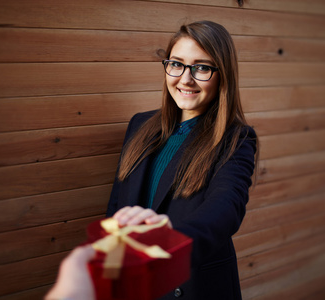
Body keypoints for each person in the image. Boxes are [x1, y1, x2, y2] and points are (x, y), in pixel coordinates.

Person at [107, 20, 258, 299]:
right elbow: (117, 205)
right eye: (177, 64)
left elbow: (225, 208)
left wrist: (173, 240)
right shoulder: (139, 125)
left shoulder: (236, 139)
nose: (185, 79)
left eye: (201, 67)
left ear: (222, 75)